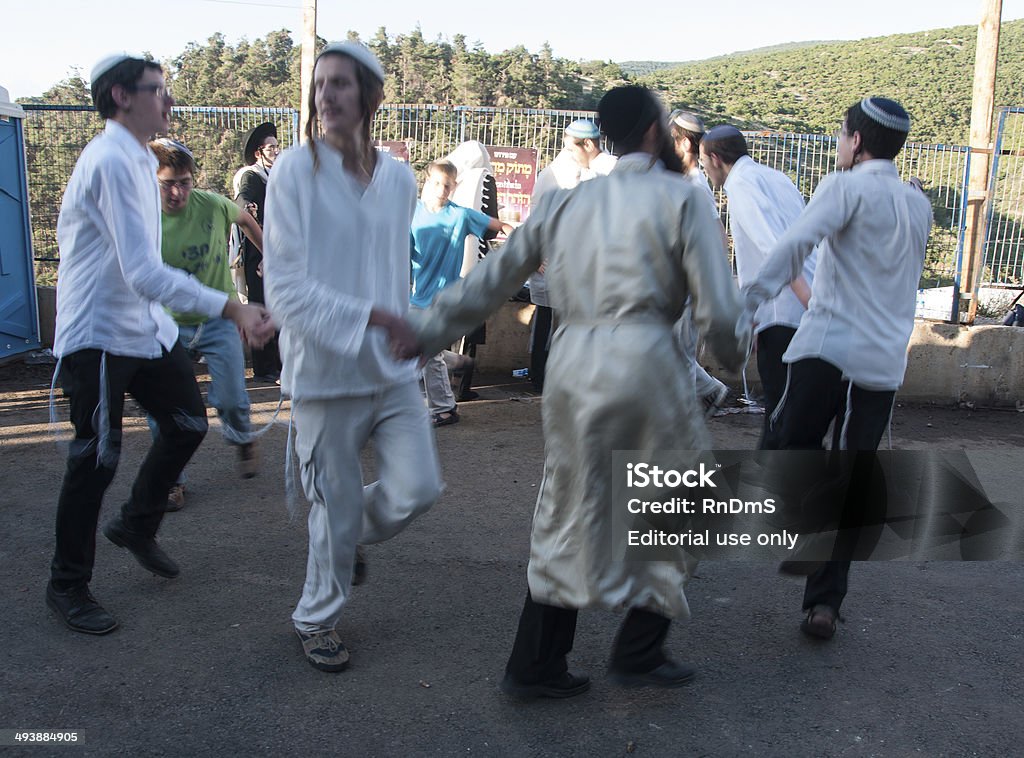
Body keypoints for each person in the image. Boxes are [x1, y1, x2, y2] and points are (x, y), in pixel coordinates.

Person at [397, 86, 750, 698]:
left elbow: (491, 278)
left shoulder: (568, 203)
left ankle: (536, 663)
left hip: (572, 363)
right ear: (651, 132)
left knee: (569, 508)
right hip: (645, 367)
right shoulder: (682, 200)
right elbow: (720, 319)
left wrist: (423, 333)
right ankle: (641, 646)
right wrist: (735, 352)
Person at [47, 53, 271, 635]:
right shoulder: (112, 161)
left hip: (145, 331)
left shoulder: (135, 160)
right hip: (97, 335)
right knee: (96, 457)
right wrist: (232, 306)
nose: (168, 102)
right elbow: (144, 271)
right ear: (121, 96)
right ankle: (67, 585)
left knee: (189, 424)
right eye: (157, 91)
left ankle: (137, 524)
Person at [262, 41, 443, 673]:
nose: (326, 95)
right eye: (321, 84)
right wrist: (373, 318)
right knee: (334, 508)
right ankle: (315, 619)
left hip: (391, 372)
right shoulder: (293, 171)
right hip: (324, 374)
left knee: (418, 487)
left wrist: (411, 331)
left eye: (340, 83)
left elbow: (392, 271)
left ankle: (340, 532)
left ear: (370, 96)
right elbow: (282, 288)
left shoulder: (397, 177)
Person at [742, 97, 932, 641]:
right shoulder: (917, 203)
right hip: (882, 365)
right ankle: (823, 604)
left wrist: (749, 302)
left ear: (857, 142)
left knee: (782, 443)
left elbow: (793, 245)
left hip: (828, 348)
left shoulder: (842, 187)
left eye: (841, 134)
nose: (838, 142)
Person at [149, 138, 266, 510]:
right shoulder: (141, 216)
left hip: (219, 317)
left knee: (231, 399)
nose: (177, 191)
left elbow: (247, 220)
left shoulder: (212, 205)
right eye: (168, 183)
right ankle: (170, 480)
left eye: (184, 181)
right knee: (163, 407)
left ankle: (242, 436)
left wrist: (272, 258)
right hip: (168, 322)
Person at [699, 125, 816, 447]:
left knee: (781, 415)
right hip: (797, 307)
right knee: (792, 412)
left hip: (783, 311)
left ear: (714, 158)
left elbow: (775, 250)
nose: (704, 170)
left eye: (703, 162)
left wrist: (806, 302)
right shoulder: (776, 177)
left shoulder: (741, 184)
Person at [412, 159, 512, 426]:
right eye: (436, 184)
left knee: (429, 353)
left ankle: (445, 408)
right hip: (415, 296)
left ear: (454, 186)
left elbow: (499, 225)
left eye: (447, 185)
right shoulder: (413, 214)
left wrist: (519, 243)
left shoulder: (461, 215)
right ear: (427, 182)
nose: (441, 190)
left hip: (446, 297)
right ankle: (454, 360)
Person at [527, 119, 615, 393]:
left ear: (587, 144)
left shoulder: (609, 171)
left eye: (571, 149)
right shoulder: (557, 173)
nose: (569, 154)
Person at [667, 110, 732, 415]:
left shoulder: (695, 186)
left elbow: (718, 233)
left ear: (683, 145)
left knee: (676, 354)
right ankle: (708, 391)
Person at [444, 140, 501, 402]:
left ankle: (440, 388)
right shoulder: (484, 178)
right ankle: (460, 388)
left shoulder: (445, 178)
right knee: (470, 327)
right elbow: (489, 227)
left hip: (444, 267)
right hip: (472, 267)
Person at [234, 121, 282, 383]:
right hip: (258, 249)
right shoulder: (251, 175)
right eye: (270, 147)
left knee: (277, 303)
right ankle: (264, 368)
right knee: (262, 303)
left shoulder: (275, 174)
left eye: (277, 146)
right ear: (258, 152)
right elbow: (243, 201)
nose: (275, 151)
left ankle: (277, 363)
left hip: (277, 247)